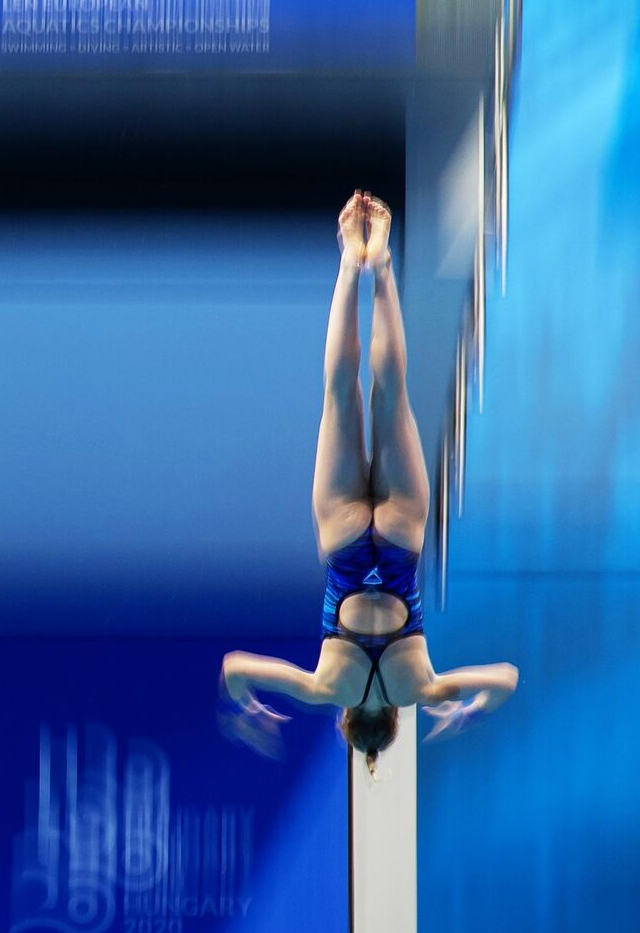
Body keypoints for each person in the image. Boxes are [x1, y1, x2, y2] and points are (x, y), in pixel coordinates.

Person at [221, 192, 517, 769]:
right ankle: (348, 261)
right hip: (346, 542)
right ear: (346, 719)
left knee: (391, 394)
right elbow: (234, 668)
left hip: (401, 541)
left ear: (394, 720)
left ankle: (380, 265)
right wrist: (249, 710)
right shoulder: (325, 689)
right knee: (340, 396)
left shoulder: (420, 689)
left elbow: (505, 679)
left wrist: (466, 712)